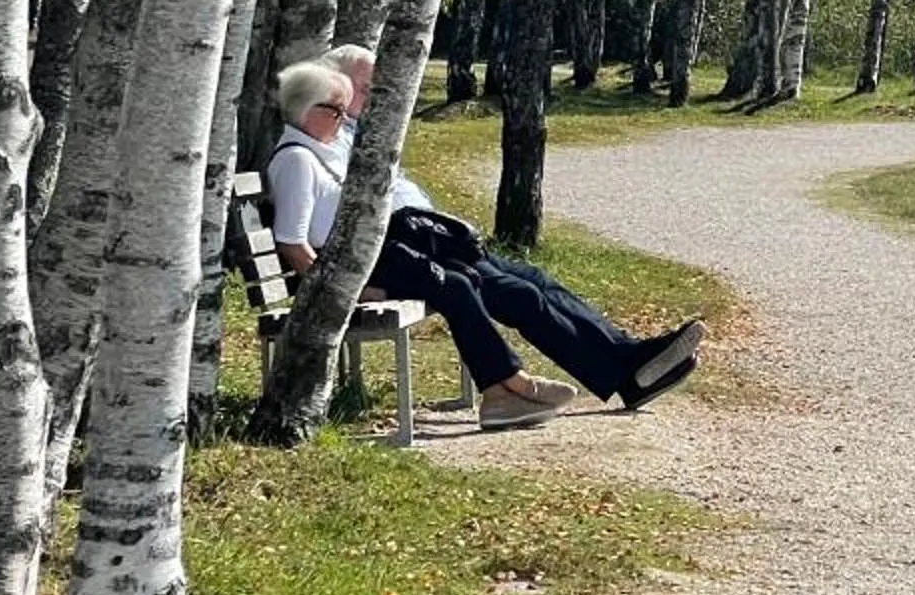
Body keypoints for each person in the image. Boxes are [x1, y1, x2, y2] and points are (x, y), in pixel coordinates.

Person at [273, 54, 701, 425]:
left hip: (418, 244)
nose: (352, 110)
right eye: (349, 99)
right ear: (312, 107)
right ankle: (607, 374)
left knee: (534, 281)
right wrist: (350, 288)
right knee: (519, 294)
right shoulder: (304, 156)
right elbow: (298, 242)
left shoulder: (338, 141)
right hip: (392, 256)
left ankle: (628, 358)